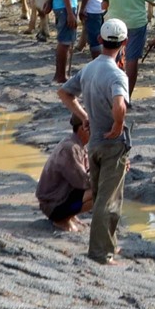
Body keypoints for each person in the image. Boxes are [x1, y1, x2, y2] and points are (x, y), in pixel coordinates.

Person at [57, 17, 132, 265]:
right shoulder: (117, 74)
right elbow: (120, 105)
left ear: (100, 40)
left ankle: (107, 244)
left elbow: (64, 93)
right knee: (109, 200)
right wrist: (119, 125)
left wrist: (83, 116)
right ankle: (101, 253)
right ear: (124, 42)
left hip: (95, 143)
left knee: (102, 195)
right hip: (112, 144)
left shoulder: (89, 68)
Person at [35, 115, 92, 233]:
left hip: (57, 200)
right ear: (83, 128)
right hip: (54, 207)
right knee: (100, 193)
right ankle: (62, 219)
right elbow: (84, 183)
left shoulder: (76, 144)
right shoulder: (71, 148)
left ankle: (69, 216)